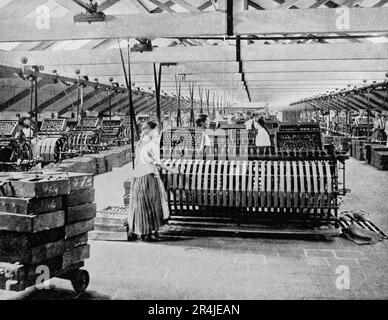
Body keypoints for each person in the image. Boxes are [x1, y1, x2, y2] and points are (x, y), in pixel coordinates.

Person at [128, 121, 179, 241]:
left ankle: (139, 231)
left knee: (139, 205)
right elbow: (158, 163)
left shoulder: (139, 143)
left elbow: (138, 161)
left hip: (137, 178)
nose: (158, 133)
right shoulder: (152, 144)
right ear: (152, 131)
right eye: (157, 131)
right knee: (152, 204)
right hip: (149, 178)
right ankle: (148, 233)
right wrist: (173, 170)